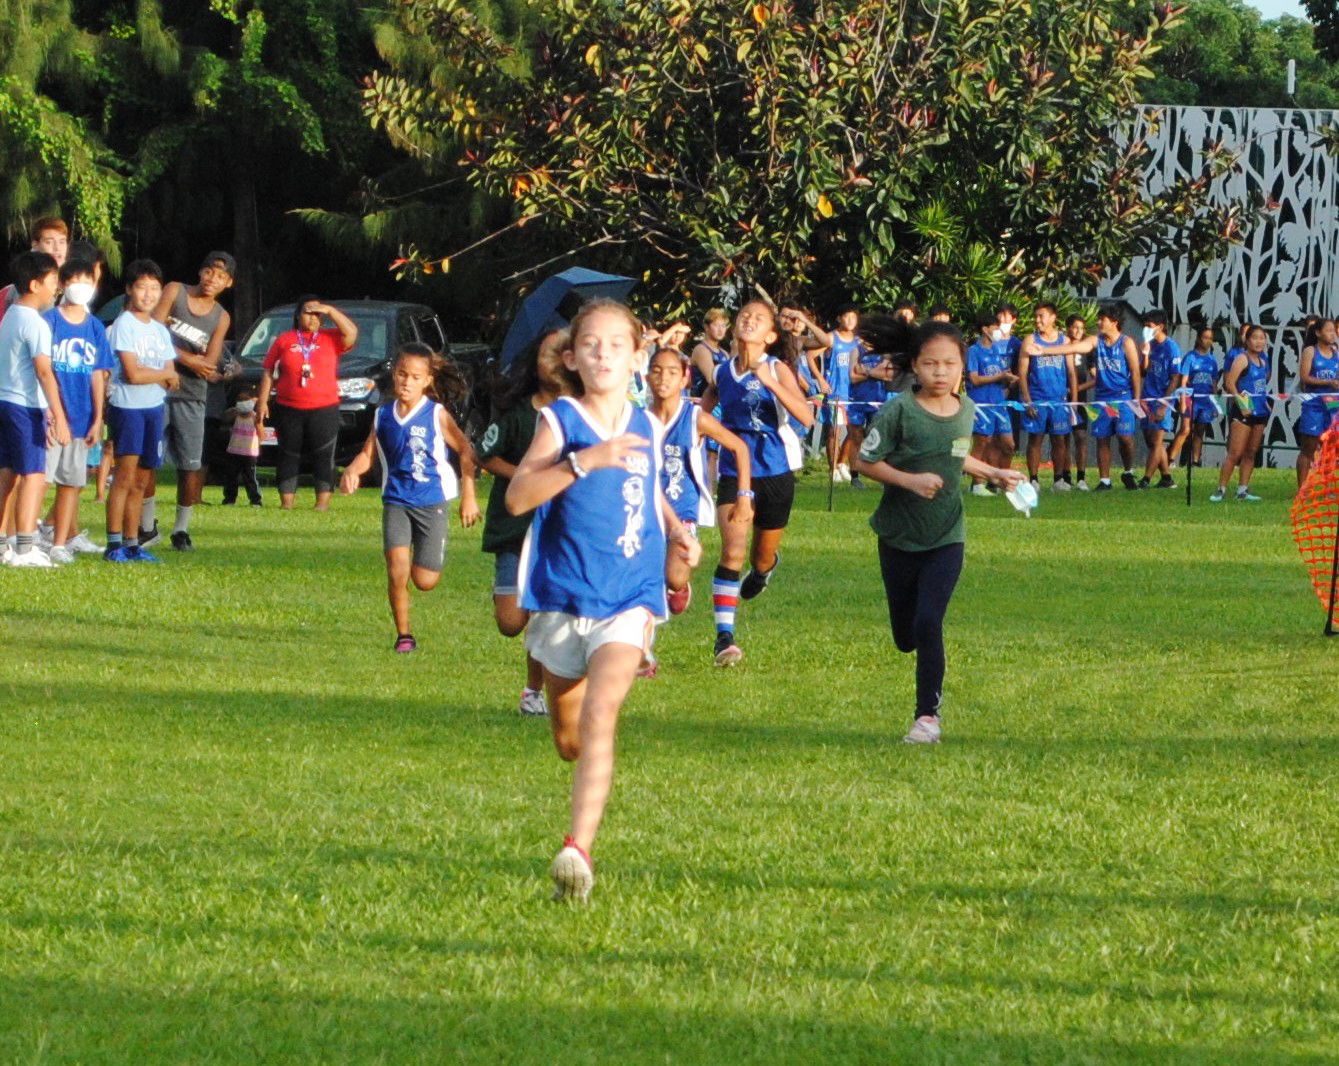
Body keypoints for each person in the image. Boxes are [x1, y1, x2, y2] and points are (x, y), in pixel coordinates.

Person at [505, 299, 701, 902]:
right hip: (564, 595)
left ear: (638, 356)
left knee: (602, 715)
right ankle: (578, 808)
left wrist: (675, 530)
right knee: (570, 740)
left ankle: (577, 849)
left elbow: (649, 486)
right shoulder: (561, 421)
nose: (604, 354)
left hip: (630, 595)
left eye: (618, 345)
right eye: (591, 345)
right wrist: (583, 463)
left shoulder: (650, 421)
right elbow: (517, 499)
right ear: (572, 358)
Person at [851, 322, 1023, 744]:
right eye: (930, 364)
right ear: (916, 366)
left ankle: (927, 717)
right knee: (905, 636)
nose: (940, 372)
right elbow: (863, 461)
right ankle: (917, 667)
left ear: (963, 367)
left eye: (949, 364)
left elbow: (956, 454)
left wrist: (993, 472)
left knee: (930, 621)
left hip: (948, 533)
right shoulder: (898, 412)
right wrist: (910, 481)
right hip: (897, 535)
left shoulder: (965, 409)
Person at [340, 342, 479, 651]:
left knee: (425, 580)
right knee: (396, 569)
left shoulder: (436, 414)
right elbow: (367, 454)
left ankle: (428, 556)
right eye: (402, 374)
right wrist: (353, 470)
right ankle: (404, 636)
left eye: (415, 377)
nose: (407, 382)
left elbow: (466, 451)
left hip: (432, 501)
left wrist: (469, 495)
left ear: (428, 380)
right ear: (394, 375)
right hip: (397, 501)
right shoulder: (383, 415)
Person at [699, 299, 814, 666]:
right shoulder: (720, 372)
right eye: (744, 316)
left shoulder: (778, 368)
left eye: (758, 318)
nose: (748, 320)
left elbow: (806, 417)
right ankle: (724, 638)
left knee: (758, 556)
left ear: (770, 335)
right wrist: (697, 432)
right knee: (731, 551)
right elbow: (707, 404)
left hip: (776, 469)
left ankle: (764, 570)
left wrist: (770, 383)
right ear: (735, 327)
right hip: (734, 469)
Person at [478, 328, 576, 716]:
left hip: (558, 532)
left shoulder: (580, 415)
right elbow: (485, 454)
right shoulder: (518, 414)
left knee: (543, 613)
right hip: (514, 529)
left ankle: (535, 690)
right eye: (546, 353)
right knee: (510, 622)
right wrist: (526, 475)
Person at [645, 344, 753, 623]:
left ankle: (679, 586)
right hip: (646, 507)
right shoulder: (638, 420)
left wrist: (743, 495)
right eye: (656, 371)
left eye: (671, 372)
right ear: (646, 378)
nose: (663, 379)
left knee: (672, 577)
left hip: (683, 510)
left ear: (685, 379)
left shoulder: (694, 418)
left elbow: (739, 448)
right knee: (644, 579)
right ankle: (644, 649)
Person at [152, 251, 235, 551]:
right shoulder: (175, 291)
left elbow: (210, 362)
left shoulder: (221, 316)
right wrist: (188, 357)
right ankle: (147, 524)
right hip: (157, 386)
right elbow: (153, 328)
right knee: (148, 458)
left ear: (229, 283)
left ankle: (181, 529)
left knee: (190, 463)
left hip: (192, 395)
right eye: (210, 272)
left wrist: (195, 363)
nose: (213, 279)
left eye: (221, 276)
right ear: (200, 272)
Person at [104, 260, 179, 562]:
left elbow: (172, 377)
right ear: (129, 290)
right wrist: (159, 374)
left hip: (153, 408)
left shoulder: (160, 331)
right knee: (123, 477)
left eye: (153, 288)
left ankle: (133, 543)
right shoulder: (124, 325)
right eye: (141, 287)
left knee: (142, 480)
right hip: (128, 408)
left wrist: (160, 375)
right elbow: (132, 374)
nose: (148, 294)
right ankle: (113, 544)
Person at [42, 257, 114, 563]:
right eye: (75, 281)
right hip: (50, 417)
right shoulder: (49, 321)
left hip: (82, 417)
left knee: (71, 483)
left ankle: (60, 542)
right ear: (62, 284)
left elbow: (99, 373)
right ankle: (26, 537)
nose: (81, 287)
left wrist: (98, 418)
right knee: (40, 478)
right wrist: (47, 411)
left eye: (88, 281)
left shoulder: (95, 327)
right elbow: (40, 369)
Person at [256, 296, 358, 510]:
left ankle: (321, 504)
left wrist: (330, 310)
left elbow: (351, 333)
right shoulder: (285, 339)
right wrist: (263, 402)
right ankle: (287, 503)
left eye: (317, 314)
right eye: (307, 312)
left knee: (323, 455)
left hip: (324, 407)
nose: (312, 318)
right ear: (297, 315)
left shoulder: (331, 338)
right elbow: (268, 371)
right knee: (288, 454)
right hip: (288, 407)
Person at [0, 251, 69, 568]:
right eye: (53, 280)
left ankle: (3, 543)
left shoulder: (10, 315)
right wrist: (59, 415)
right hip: (23, 406)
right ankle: (25, 548)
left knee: (8, 474)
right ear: (34, 284)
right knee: (34, 475)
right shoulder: (35, 323)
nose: (57, 287)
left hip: (5, 401)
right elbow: (43, 372)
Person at [1055, 306, 1141, 490]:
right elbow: (1078, 346)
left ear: (1114, 323)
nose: (1099, 322)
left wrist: (1137, 400)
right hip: (1102, 398)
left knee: (1125, 438)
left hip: (1123, 397)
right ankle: (1105, 480)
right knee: (1102, 439)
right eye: (1099, 319)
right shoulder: (1096, 340)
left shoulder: (1126, 343)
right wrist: (1046, 350)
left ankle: (1128, 471)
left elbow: (1135, 372)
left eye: (1103, 319)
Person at [1017, 302, 1076, 493]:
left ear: (1052, 318)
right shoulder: (1029, 340)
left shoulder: (1065, 341)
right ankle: (1033, 480)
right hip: (1037, 399)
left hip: (1059, 400)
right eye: (1036, 316)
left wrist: (1073, 402)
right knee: (1035, 439)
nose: (1037, 320)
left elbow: (1071, 372)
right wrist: (1027, 400)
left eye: (1041, 316)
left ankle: (1058, 479)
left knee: (1060, 439)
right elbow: (1022, 373)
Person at [1211, 324, 1272, 502]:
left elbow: (1262, 384)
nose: (1259, 342)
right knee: (1235, 452)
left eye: (1262, 338)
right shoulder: (1242, 358)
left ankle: (1242, 489)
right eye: (1255, 338)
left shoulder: (1263, 360)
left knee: (1251, 452)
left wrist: (1265, 403)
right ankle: (1221, 489)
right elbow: (1230, 383)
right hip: (1243, 410)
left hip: (1260, 411)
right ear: (1247, 340)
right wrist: (1242, 403)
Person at [964, 311, 1017, 496]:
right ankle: (977, 484)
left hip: (999, 404)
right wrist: (999, 376)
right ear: (985, 329)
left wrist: (1007, 379)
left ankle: (1003, 480)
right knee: (982, 442)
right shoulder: (973, 351)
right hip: (982, 405)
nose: (998, 330)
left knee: (1009, 444)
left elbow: (1000, 374)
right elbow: (975, 379)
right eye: (995, 327)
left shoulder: (997, 350)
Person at [820, 305, 863, 482]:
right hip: (836, 391)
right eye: (847, 317)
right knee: (834, 431)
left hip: (853, 392)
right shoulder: (832, 337)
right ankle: (833, 470)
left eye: (854, 317)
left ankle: (841, 462)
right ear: (839, 318)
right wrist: (820, 378)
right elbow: (810, 355)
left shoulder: (859, 341)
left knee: (856, 432)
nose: (850, 321)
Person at [1294, 318, 1339, 489]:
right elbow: (1305, 378)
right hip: (1314, 405)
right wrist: (1328, 383)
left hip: (1333, 405)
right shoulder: (1310, 351)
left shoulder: (1336, 351)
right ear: (1318, 333)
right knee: (1309, 447)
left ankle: (1327, 487)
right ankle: (1302, 489)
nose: (1332, 334)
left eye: (1333, 330)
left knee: (1331, 449)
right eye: (1328, 330)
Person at [1138, 310, 1179, 489]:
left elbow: (1175, 377)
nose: (1146, 329)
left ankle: (1146, 479)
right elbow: (1143, 371)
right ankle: (1166, 477)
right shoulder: (1149, 345)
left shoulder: (1171, 347)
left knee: (1156, 440)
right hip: (1147, 397)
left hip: (1161, 399)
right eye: (1145, 326)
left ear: (1160, 327)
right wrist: (1145, 353)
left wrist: (1165, 404)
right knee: (1151, 441)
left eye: (1149, 326)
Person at [0, 217, 69, 324]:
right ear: (35, 244)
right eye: (49, 242)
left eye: (62, 242)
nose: (57, 248)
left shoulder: (72, 280)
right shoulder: (22, 285)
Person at [1169, 325, 1220, 468]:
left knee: (1200, 430)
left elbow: (1214, 384)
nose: (1207, 341)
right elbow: (1183, 381)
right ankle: (1171, 458)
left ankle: (1196, 461)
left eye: (1210, 338)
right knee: (1185, 429)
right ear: (1199, 339)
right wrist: (1183, 401)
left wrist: (1216, 404)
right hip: (1190, 400)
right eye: (1205, 337)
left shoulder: (1212, 360)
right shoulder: (1190, 357)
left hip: (1206, 401)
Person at [220, 386, 264, 506]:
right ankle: (229, 499)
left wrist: (258, 423)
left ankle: (255, 500)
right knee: (231, 477)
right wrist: (234, 411)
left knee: (250, 478)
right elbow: (224, 418)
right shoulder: (235, 415)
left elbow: (262, 434)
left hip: (249, 453)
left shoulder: (255, 417)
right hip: (234, 451)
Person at [1066, 315, 1095, 489]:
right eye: (1075, 327)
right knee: (1062, 439)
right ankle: (1064, 476)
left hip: (1080, 400)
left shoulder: (1087, 350)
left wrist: (1078, 389)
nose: (1078, 331)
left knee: (1081, 437)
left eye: (1082, 328)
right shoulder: (1060, 345)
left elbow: (1095, 378)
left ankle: (1081, 477)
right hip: (1062, 398)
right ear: (1068, 327)